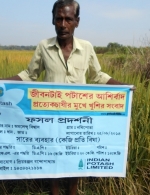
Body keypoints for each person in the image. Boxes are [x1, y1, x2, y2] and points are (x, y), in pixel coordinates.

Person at [1, 0, 127, 194]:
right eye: (59, 19)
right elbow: (30, 74)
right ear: (53, 20)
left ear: (77, 21)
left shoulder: (86, 48)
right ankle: (54, 189)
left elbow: (98, 75)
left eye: (68, 19)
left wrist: (125, 88)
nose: (63, 24)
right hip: (50, 113)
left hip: (78, 114)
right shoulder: (44, 46)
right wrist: (2, 83)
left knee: (74, 148)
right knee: (52, 149)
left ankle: (73, 188)